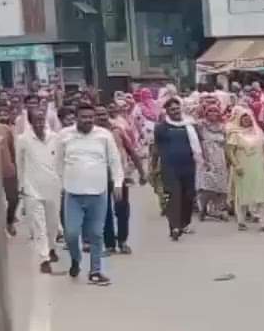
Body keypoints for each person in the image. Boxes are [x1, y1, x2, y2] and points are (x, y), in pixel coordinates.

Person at [54, 101, 123, 285]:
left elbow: (114, 161)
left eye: (90, 117)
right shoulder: (64, 136)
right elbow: (58, 163)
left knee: (96, 234)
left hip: (98, 192)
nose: (88, 120)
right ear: (76, 118)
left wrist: (117, 183)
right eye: (83, 117)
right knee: (71, 233)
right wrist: (61, 185)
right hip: (73, 193)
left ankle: (95, 271)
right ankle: (75, 260)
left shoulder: (104, 136)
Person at [15, 108, 62, 274]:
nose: (40, 123)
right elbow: (19, 163)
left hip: (53, 187)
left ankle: (51, 248)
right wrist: (21, 186)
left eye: (42, 120)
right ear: (31, 122)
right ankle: (44, 259)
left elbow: (61, 162)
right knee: (38, 225)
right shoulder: (23, 140)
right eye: (37, 120)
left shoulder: (55, 138)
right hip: (32, 189)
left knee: (52, 224)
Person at [152, 97, 202, 241]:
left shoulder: (191, 125)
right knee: (174, 196)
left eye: (177, 108)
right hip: (170, 167)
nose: (175, 111)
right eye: (172, 109)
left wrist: (204, 160)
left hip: (188, 166)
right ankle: (174, 227)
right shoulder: (161, 127)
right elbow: (156, 148)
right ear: (167, 111)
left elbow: (199, 143)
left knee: (188, 196)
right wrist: (154, 165)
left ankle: (184, 223)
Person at [98, 105, 146, 255]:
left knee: (122, 210)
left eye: (103, 114)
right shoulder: (90, 134)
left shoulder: (117, 131)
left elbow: (131, 150)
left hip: (119, 176)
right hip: (98, 178)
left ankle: (123, 241)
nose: (101, 117)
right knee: (104, 211)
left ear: (108, 114)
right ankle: (109, 244)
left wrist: (142, 172)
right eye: (97, 114)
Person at [225, 106, 264, 233]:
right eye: (243, 118)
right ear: (239, 120)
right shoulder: (235, 134)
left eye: (248, 118)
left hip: (260, 166)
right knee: (243, 194)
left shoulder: (258, 132)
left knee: (263, 193)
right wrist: (236, 165)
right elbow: (230, 151)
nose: (247, 120)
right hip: (243, 167)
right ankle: (241, 220)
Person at [195, 102, 231, 221]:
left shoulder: (222, 127)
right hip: (206, 157)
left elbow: (226, 144)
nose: (213, 113)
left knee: (220, 186)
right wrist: (203, 158)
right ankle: (203, 208)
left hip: (220, 158)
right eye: (210, 111)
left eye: (216, 111)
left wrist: (228, 158)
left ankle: (218, 209)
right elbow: (198, 141)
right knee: (206, 185)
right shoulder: (201, 125)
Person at [0, 102, 19, 237]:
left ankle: (9, 221)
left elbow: (12, 150)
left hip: (8, 171)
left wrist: (14, 167)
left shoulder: (5, 129)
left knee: (13, 199)